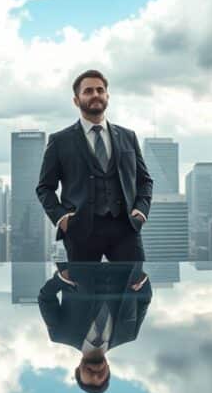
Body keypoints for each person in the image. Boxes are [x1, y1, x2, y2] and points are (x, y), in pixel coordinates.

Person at [36, 69, 153, 262]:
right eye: (88, 91)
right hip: (80, 231)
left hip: (126, 230)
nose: (95, 95)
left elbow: (145, 180)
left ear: (107, 96)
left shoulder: (128, 136)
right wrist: (62, 219)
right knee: (82, 291)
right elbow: (44, 188)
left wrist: (140, 211)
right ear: (76, 100)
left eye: (100, 90)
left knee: (136, 290)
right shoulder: (60, 140)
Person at [37, 262, 152, 393]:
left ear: (77, 370)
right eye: (101, 378)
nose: (96, 376)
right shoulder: (129, 334)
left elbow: (45, 299)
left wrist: (60, 279)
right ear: (108, 369)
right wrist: (143, 281)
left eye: (90, 377)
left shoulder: (60, 334)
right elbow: (144, 300)